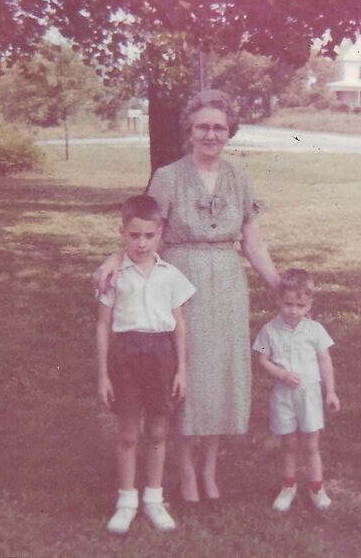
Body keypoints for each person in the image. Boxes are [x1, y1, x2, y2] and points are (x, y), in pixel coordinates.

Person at [94, 90, 280, 505]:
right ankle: (185, 471)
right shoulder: (168, 176)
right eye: (203, 127)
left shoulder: (239, 179)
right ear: (190, 132)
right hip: (182, 280)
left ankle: (210, 469)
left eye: (218, 127)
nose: (211, 134)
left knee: (220, 377)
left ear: (229, 131)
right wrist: (114, 258)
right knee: (185, 375)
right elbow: (144, 229)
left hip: (228, 284)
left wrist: (279, 285)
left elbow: (253, 244)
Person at [96, 194, 196, 534]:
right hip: (125, 356)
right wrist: (103, 375)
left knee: (156, 430)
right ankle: (126, 501)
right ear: (122, 232)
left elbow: (180, 324)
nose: (141, 243)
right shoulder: (113, 275)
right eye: (134, 235)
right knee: (127, 432)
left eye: (148, 236)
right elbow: (102, 325)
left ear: (160, 233)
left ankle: (154, 499)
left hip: (161, 356)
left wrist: (181, 368)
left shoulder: (170, 275)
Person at [253, 268, 340, 512]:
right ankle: (288, 487)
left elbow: (325, 361)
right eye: (288, 304)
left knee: (311, 446)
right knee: (289, 444)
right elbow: (262, 360)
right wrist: (281, 374)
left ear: (309, 304)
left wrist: (331, 392)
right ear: (278, 301)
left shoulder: (315, 330)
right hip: (283, 396)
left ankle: (316, 488)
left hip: (309, 395)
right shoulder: (270, 330)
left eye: (300, 305)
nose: (293, 310)